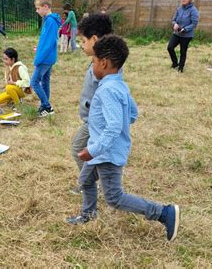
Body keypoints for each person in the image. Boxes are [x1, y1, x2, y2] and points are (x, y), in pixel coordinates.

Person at [66, 35, 180, 242]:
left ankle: (163, 212)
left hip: (105, 153)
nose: (92, 68)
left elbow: (115, 126)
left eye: (93, 63)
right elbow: (133, 114)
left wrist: (94, 149)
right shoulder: (119, 85)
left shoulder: (108, 90)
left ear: (103, 63)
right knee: (86, 180)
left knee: (114, 198)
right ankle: (89, 214)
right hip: (101, 150)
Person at [71, 14, 115, 195]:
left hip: (95, 120)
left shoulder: (104, 65)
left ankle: (89, 182)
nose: (81, 45)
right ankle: (94, 179)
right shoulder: (100, 60)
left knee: (78, 149)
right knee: (90, 151)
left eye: (83, 40)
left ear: (94, 39)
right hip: (92, 117)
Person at [32, 0, 60, 117]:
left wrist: (38, 58)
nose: (37, 11)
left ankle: (47, 107)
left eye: (38, 8)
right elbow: (46, 40)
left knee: (34, 82)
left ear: (46, 7)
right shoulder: (49, 21)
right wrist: (39, 48)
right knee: (45, 82)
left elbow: (49, 43)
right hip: (48, 57)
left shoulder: (50, 22)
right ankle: (44, 107)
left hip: (45, 59)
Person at [167, 0, 199, 72]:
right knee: (170, 47)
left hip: (186, 35)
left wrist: (185, 29)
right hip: (177, 33)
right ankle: (175, 63)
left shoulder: (193, 10)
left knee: (183, 51)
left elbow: (194, 23)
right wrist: (174, 24)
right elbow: (173, 20)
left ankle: (181, 68)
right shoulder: (179, 9)